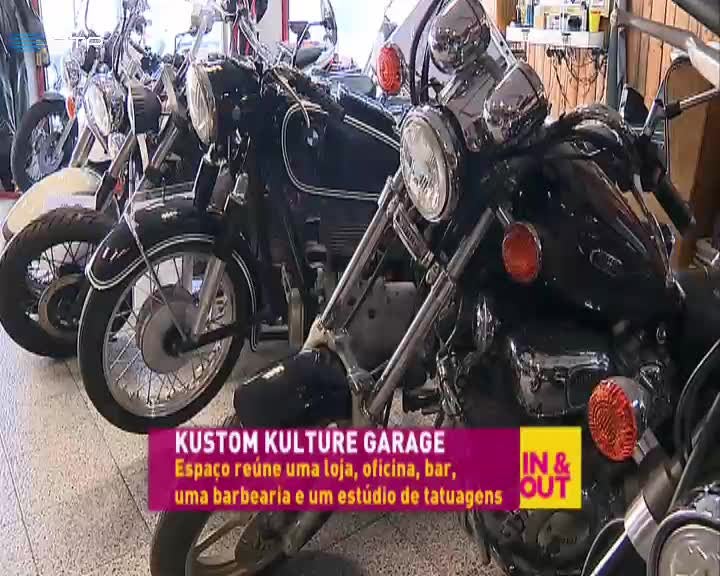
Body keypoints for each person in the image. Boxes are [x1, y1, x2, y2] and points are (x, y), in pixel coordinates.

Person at [0, 0, 48, 190]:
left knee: (18, 113)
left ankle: (16, 171)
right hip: (11, 48)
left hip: (12, 47)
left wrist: (41, 48)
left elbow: (26, 10)